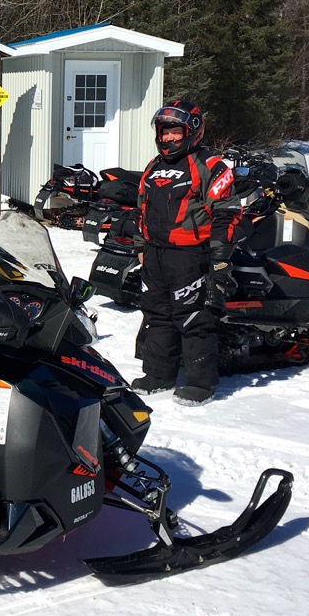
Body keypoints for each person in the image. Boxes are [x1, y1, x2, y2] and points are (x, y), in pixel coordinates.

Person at [130, 99, 242, 405]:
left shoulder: (210, 166)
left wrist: (219, 258)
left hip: (190, 256)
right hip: (155, 255)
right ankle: (158, 375)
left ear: (191, 130)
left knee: (193, 317)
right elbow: (141, 208)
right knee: (156, 315)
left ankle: (200, 384)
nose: (167, 138)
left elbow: (227, 214)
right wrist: (141, 246)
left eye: (174, 132)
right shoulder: (154, 167)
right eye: (163, 132)